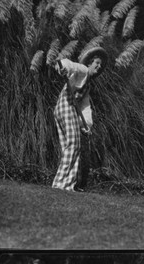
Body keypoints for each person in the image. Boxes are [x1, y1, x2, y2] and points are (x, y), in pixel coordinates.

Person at [52, 47, 108, 191]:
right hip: (66, 106)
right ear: (89, 63)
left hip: (65, 109)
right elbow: (69, 65)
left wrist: (86, 125)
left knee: (70, 147)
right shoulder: (82, 69)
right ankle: (61, 185)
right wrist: (63, 67)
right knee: (73, 145)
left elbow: (84, 107)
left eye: (100, 65)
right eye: (96, 63)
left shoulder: (87, 84)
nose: (99, 66)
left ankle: (64, 184)